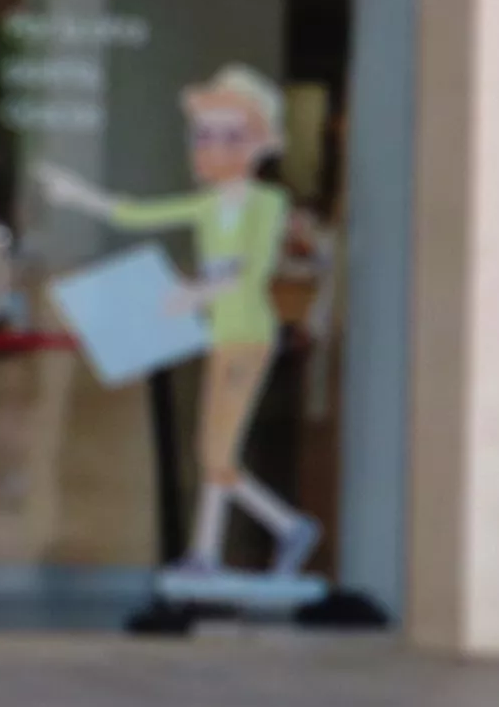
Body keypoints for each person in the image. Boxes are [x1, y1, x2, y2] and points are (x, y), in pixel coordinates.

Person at [36, 66, 318, 578]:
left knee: (216, 454)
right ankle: (216, 550)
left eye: (230, 137)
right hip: (221, 336)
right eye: (204, 136)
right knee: (213, 453)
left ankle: (276, 530)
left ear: (261, 144)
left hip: (247, 337)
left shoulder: (268, 205)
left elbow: (250, 271)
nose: (213, 148)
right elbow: (136, 214)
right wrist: (78, 196)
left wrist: (196, 294)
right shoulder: (207, 205)